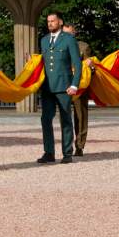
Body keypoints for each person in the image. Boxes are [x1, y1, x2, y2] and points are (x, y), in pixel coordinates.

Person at [37, 11, 82, 164]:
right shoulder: (43, 40)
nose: (50, 23)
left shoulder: (68, 39)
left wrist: (75, 84)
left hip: (64, 86)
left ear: (60, 22)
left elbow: (77, 63)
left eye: (53, 21)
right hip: (47, 87)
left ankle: (67, 153)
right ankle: (49, 152)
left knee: (65, 119)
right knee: (45, 119)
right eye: (48, 21)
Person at [63, 22, 92, 157]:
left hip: (79, 86)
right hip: (63, 86)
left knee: (81, 116)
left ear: (75, 33)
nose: (67, 36)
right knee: (65, 117)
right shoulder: (57, 45)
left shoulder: (83, 47)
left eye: (70, 33)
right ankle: (66, 145)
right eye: (65, 33)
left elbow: (90, 68)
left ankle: (79, 145)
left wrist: (90, 66)